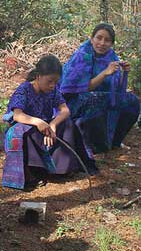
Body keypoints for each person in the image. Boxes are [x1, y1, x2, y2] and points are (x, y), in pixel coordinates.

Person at [60, 23, 140, 171]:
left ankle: (114, 142)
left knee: (132, 102)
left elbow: (116, 89)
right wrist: (104, 73)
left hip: (99, 97)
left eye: (107, 40)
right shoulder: (82, 55)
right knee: (96, 99)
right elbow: (73, 89)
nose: (102, 43)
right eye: (99, 38)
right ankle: (95, 145)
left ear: (112, 43)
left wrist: (125, 72)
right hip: (73, 101)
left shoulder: (111, 56)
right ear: (91, 38)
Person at [2, 54, 84, 190]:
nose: (52, 86)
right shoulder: (24, 90)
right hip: (28, 127)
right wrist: (38, 122)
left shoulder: (53, 91)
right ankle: (36, 171)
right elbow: (17, 115)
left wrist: (53, 124)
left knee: (68, 123)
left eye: (55, 82)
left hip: (46, 126)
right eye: (49, 81)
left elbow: (65, 110)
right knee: (27, 134)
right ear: (38, 76)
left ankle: (61, 169)